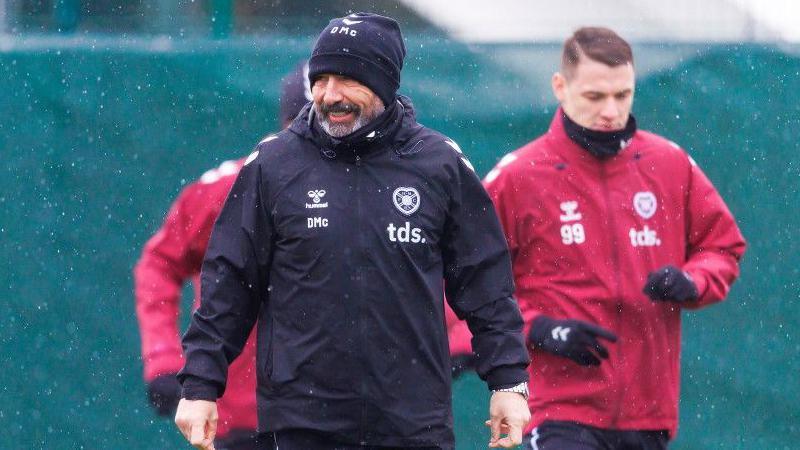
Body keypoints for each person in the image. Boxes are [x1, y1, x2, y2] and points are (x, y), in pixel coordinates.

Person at [173, 12, 531, 450]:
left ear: (384, 84)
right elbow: (229, 282)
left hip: (413, 424)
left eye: (346, 80)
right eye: (321, 80)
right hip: (301, 423)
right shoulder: (273, 164)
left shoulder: (439, 164)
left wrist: (509, 383)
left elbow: (485, 284)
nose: (328, 95)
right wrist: (199, 385)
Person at [483, 27, 746, 450]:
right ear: (560, 87)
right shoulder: (520, 176)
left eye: (623, 95)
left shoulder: (669, 164)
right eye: (594, 97)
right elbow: (466, 283)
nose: (611, 111)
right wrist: (541, 328)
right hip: (557, 409)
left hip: (648, 412)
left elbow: (722, 246)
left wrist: (692, 280)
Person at [133, 60, 312, 450]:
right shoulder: (228, 189)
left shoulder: (373, 192)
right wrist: (163, 358)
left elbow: (423, 266)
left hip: (344, 414)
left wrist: (453, 339)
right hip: (241, 417)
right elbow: (159, 263)